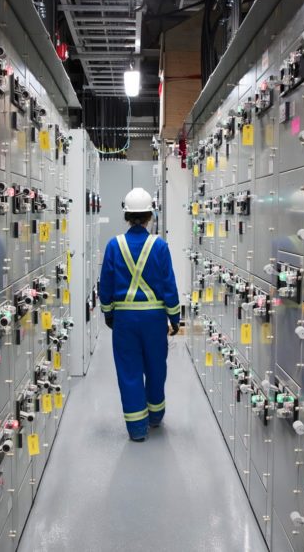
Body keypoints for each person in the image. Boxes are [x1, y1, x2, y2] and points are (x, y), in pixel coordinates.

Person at [99, 188, 181, 442]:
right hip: (154, 320)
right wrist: (174, 318)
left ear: (126, 215)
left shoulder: (114, 245)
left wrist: (108, 313)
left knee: (129, 370)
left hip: (125, 321)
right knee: (156, 366)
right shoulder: (160, 246)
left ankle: (137, 429)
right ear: (149, 216)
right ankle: (155, 417)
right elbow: (169, 285)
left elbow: (106, 285)